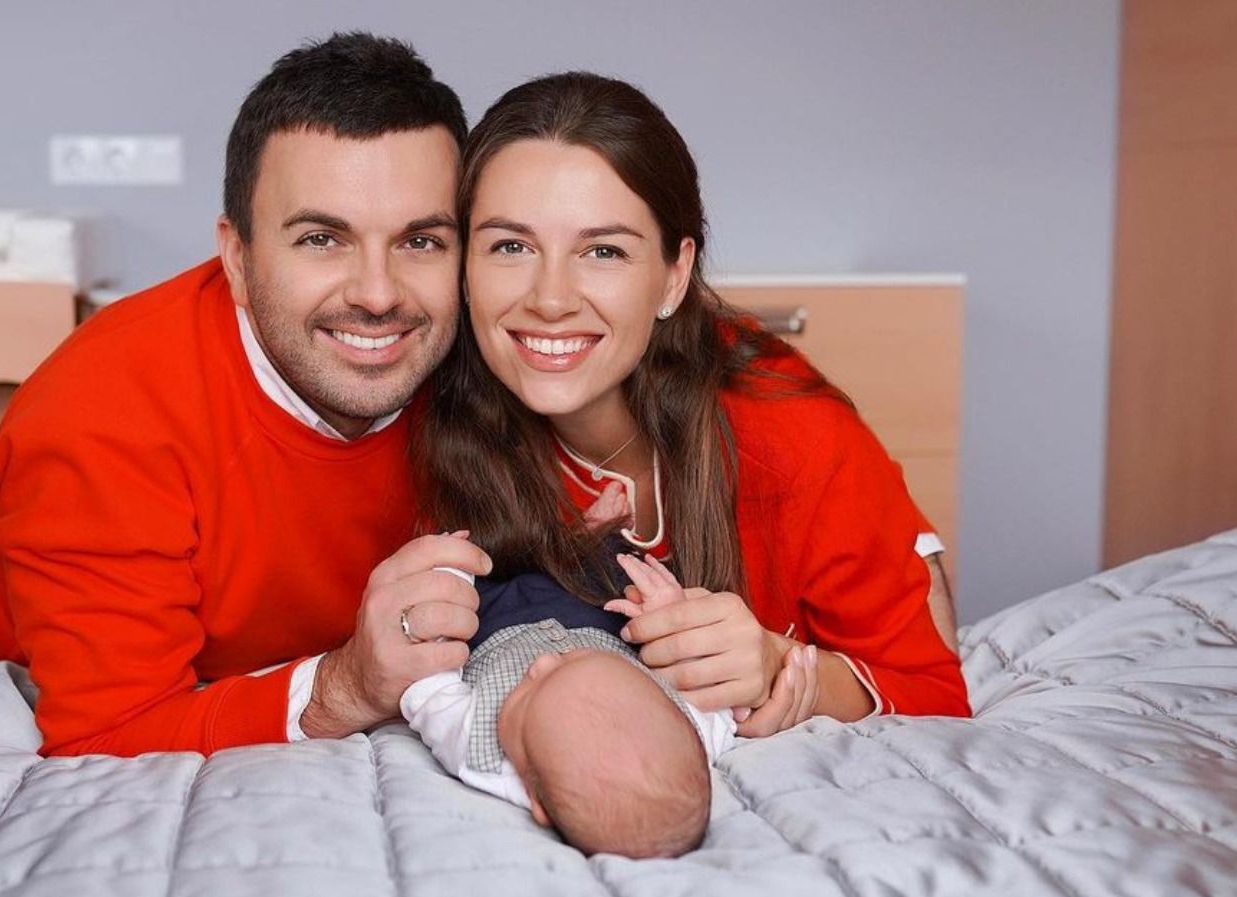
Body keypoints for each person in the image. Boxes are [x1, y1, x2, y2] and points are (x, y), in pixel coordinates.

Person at [0, 33, 494, 756]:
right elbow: (105, 734)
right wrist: (345, 688)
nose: (378, 295)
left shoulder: (482, 356)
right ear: (237, 256)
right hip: (12, 714)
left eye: (420, 242)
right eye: (321, 239)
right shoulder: (101, 413)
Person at [415, 72, 970, 737]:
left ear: (675, 276)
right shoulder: (419, 416)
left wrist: (783, 665)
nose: (551, 298)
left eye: (603, 251)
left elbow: (935, 691)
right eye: (511, 246)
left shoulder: (790, 431)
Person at [401, 554, 741, 858]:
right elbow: (715, 695)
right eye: (575, 662)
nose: (542, 663)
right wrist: (667, 613)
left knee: (490, 557)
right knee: (601, 562)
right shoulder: (693, 742)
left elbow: (429, 688)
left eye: (527, 695)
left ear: (536, 800)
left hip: (496, 616)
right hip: (604, 617)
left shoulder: (478, 754)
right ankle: (595, 531)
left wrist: (448, 580)